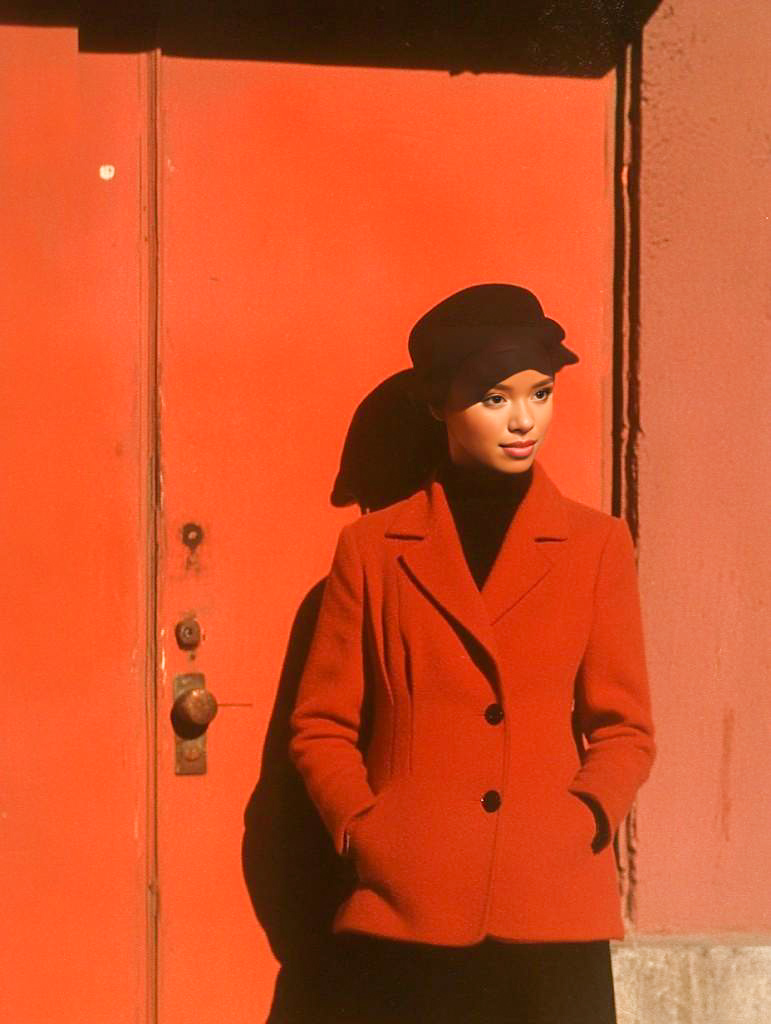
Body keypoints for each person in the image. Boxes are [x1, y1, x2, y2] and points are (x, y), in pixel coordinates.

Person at [288, 284, 656, 1023]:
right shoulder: (370, 551)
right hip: (409, 904)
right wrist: (367, 828)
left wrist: (581, 818)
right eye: (494, 398)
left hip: (551, 902)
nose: (525, 420)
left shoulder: (595, 545)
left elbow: (625, 729)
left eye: (541, 393)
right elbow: (320, 725)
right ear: (437, 405)